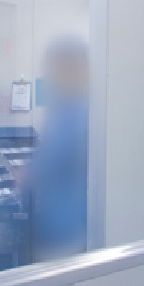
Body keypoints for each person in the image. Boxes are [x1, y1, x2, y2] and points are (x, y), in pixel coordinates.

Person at [26, 36, 90, 261]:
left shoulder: (70, 109)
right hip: (85, 218)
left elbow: (52, 158)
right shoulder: (95, 104)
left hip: (66, 222)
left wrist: (24, 176)